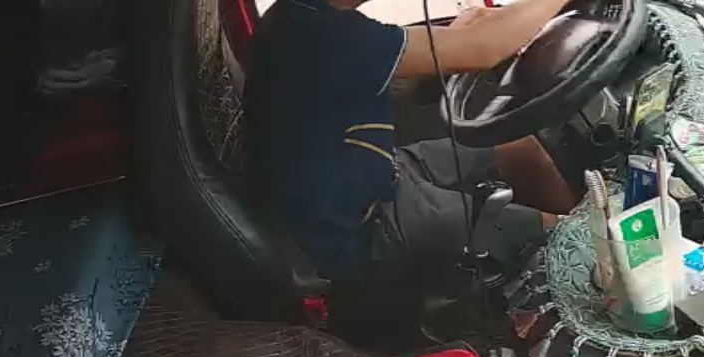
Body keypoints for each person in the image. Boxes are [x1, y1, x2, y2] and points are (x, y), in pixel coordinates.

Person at [244, 0, 580, 280]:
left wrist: (465, 32)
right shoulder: (324, 34)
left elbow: (431, 46)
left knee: (520, 150)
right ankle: (578, 259)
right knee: (563, 238)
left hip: (372, 173)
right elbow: (483, 48)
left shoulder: (299, 17)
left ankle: (581, 225)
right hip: (357, 225)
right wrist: (477, 37)